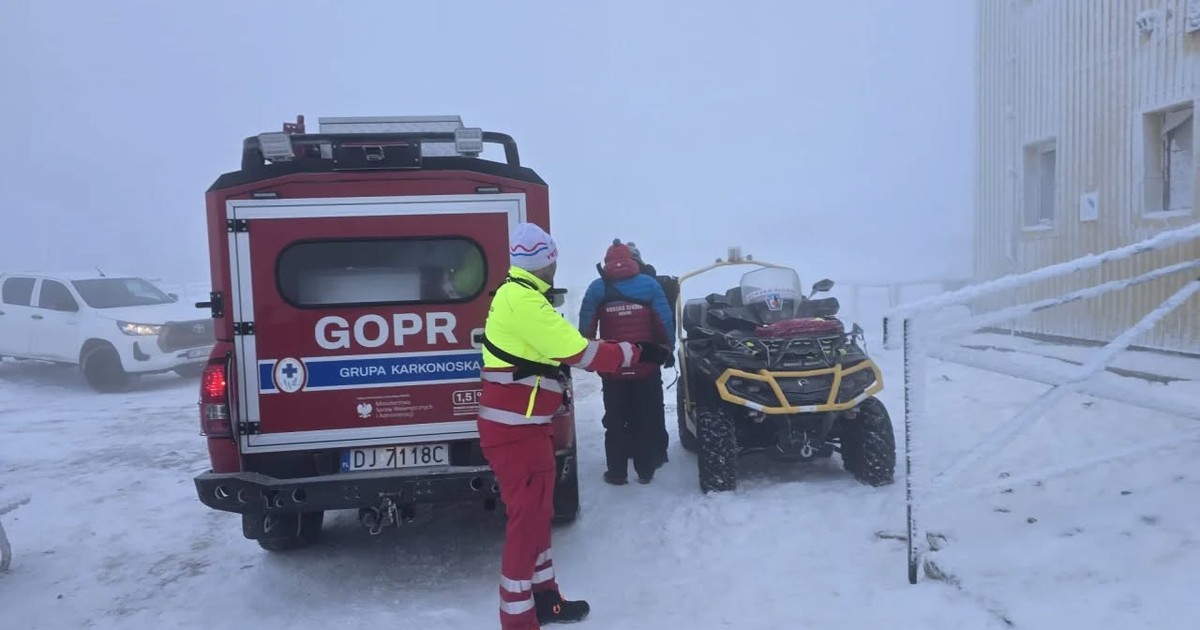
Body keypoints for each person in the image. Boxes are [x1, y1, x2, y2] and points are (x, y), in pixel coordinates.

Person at [478, 222, 669, 630]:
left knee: (538, 518)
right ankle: (518, 621)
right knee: (525, 526)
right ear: (546, 262)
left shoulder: (520, 295)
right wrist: (639, 352)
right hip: (514, 433)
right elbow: (580, 352)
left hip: (530, 427)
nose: (555, 268)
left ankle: (546, 599)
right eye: (553, 261)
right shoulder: (524, 302)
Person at [578, 241, 675, 485]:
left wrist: (590, 355)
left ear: (607, 262)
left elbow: (586, 328)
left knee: (615, 420)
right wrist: (666, 347)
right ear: (634, 261)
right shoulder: (650, 284)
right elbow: (664, 322)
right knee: (645, 418)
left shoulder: (597, 288)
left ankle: (617, 473)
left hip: (614, 368)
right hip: (646, 365)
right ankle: (645, 471)